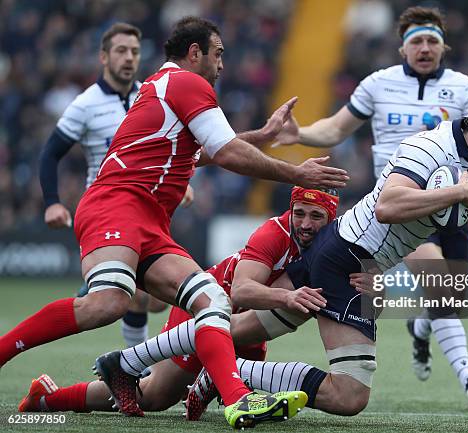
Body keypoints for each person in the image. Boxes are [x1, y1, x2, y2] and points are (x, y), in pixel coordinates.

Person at [1, 16, 349, 429]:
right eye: (218, 54)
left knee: (212, 301)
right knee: (109, 303)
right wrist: (296, 173)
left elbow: (197, 154)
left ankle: (238, 400)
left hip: (147, 219)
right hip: (117, 205)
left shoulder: (164, 88)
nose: (222, 65)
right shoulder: (186, 83)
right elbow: (224, 154)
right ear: (195, 52)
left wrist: (262, 135)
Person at [184, 84, 468, 418]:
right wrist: (457, 193)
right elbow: (387, 207)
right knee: (350, 396)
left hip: (347, 252)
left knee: (237, 329)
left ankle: (129, 362)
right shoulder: (431, 146)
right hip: (346, 260)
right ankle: (230, 374)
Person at [274, 6, 468, 408]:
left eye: (432, 41)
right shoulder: (379, 83)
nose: (425, 48)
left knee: (453, 299)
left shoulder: (465, 90)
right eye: (417, 42)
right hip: (405, 205)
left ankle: (421, 328)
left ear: (443, 47)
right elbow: (337, 128)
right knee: (439, 282)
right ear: (402, 48)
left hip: (453, 202)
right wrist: (300, 133)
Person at [18, 187, 338, 419]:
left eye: (315, 216)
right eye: (299, 213)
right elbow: (241, 291)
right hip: (207, 307)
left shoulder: (331, 243)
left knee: (240, 384)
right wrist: (288, 297)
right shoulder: (275, 233)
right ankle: (48, 399)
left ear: (331, 217)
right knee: (156, 395)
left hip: (247, 323)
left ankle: (207, 381)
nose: (305, 223)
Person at [39, 22, 175, 350]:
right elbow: (50, 153)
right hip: (106, 212)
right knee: (138, 296)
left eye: (134, 51)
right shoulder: (86, 104)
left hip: (146, 207)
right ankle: (133, 369)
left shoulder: (149, 95)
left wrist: (178, 183)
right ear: (103, 57)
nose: (129, 58)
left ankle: (103, 285)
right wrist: (53, 202)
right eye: (120, 51)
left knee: (157, 301)